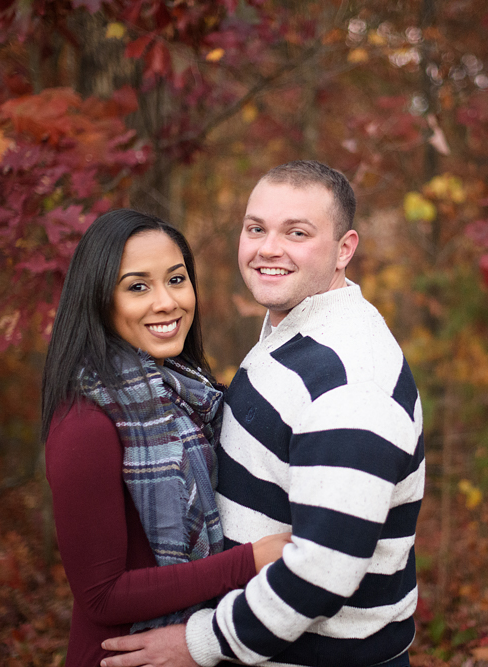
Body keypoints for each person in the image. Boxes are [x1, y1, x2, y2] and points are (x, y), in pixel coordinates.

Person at [101, 161, 425, 667]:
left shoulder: (350, 380)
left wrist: (199, 642)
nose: (267, 248)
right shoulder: (291, 336)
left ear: (345, 249)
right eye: (256, 229)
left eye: (296, 232)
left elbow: (324, 570)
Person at [41, 209, 291, 667]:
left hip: (189, 648)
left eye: (176, 280)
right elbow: (101, 595)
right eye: (138, 286)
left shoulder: (190, 392)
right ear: (99, 299)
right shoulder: (85, 424)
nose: (167, 302)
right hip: (125, 654)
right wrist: (249, 561)